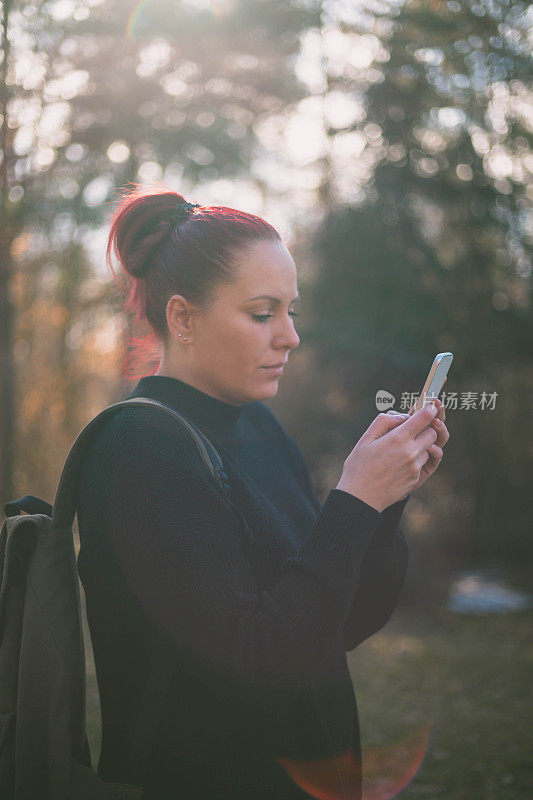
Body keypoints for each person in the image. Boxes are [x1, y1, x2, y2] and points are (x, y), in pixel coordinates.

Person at [76, 187, 449, 800]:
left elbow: (339, 622)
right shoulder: (140, 450)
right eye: (262, 313)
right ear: (183, 317)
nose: (290, 337)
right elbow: (260, 666)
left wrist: (383, 500)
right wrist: (353, 500)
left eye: (291, 311)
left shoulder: (256, 424)